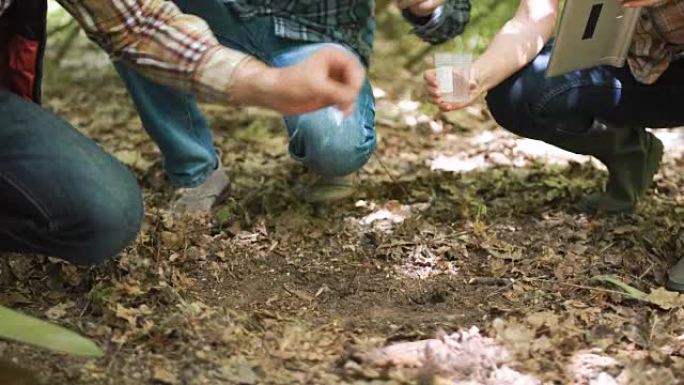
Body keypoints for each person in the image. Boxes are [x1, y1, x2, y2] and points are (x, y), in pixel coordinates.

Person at [0, 0, 366, 265]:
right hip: (226, 15)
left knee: (106, 215)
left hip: (308, 35)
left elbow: (137, 26)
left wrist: (267, 84)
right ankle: (196, 172)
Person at [113, 0, 472, 212]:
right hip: (214, 16)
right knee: (133, 20)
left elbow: (453, 18)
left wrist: (429, 7)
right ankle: (195, 171)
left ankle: (330, 156)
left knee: (334, 149)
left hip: (315, 35)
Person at [425, 0, 684, 290]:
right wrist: (477, 76)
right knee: (518, 93)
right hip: (638, 66)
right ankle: (631, 152)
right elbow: (532, 18)